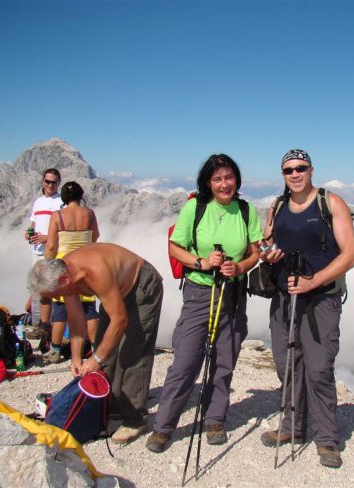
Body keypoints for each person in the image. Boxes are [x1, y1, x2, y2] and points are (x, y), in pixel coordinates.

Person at [145, 154, 263, 453]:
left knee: (225, 359)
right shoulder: (195, 207)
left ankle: (214, 419)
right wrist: (201, 262)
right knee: (186, 361)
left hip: (233, 293)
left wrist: (239, 267)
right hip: (199, 293)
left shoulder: (246, 210)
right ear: (208, 183)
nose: (225, 184)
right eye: (218, 179)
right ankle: (163, 426)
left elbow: (254, 251)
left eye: (229, 177)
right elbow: (175, 247)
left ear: (237, 179)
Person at [259, 149, 354, 468]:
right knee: (286, 363)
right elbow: (266, 243)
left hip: (321, 298)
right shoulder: (276, 206)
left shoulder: (330, 203)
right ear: (283, 175)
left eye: (301, 168)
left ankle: (326, 438)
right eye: (289, 170)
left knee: (317, 367)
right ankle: (292, 428)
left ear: (312, 170)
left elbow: (351, 255)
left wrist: (313, 280)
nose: (295, 174)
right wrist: (268, 254)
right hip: (284, 295)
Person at [28, 243, 164, 445]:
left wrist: (97, 358)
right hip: (117, 291)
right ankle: (113, 405)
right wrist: (76, 358)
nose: (57, 298)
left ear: (64, 280)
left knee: (132, 352)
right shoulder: (65, 276)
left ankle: (135, 419)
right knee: (103, 344)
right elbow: (76, 319)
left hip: (141, 287)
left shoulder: (94, 271)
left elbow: (119, 319)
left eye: (55, 294)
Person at [43, 181, 100, 364]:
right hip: (85, 265)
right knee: (89, 309)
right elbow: (95, 235)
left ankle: (55, 351)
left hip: (64, 265)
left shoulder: (57, 215)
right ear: (80, 195)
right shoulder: (89, 214)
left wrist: (48, 264)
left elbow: (51, 245)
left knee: (60, 310)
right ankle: (96, 349)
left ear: (64, 198)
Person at [24, 168, 62, 336]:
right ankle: (44, 326)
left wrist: (47, 238)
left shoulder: (61, 202)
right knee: (39, 290)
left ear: (58, 183)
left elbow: (64, 230)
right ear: (43, 182)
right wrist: (28, 234)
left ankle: (50, 327)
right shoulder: (38, 202)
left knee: (50, 290)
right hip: (36, 251)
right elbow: (33, 224)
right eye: (47, 181)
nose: (50, 185)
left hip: (50, 252)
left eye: (54, 182)